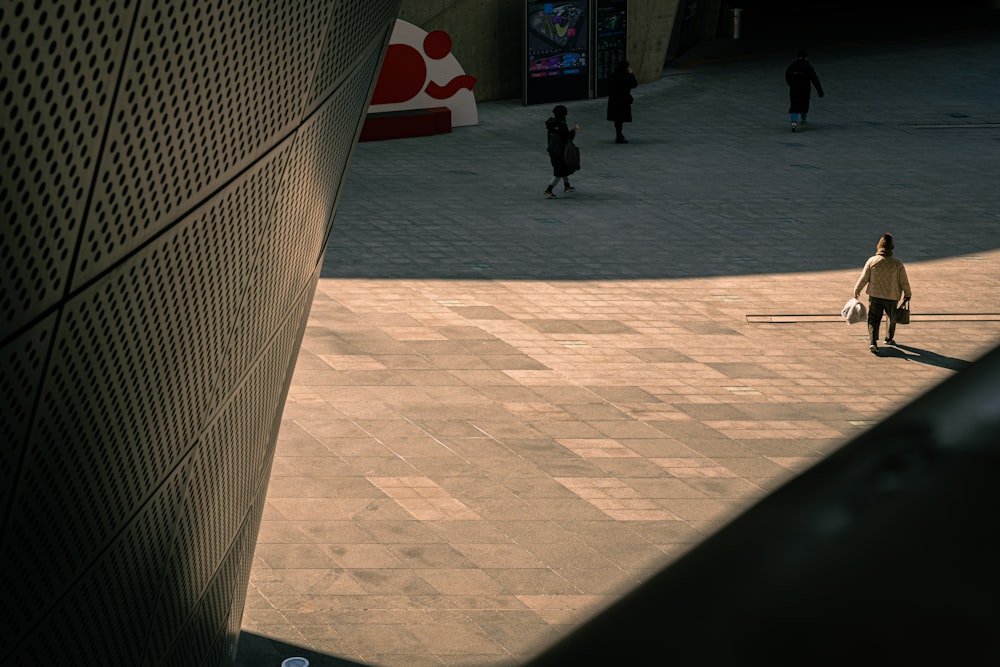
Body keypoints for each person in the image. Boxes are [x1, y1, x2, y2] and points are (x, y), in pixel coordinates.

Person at [854, 233, 912, 355]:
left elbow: (864, 278)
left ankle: (873, 342)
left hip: (875, 295)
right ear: (892, 247)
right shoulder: (897, 263)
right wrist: (908, 293)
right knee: (891, 318)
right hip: (892, 296)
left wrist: (857, 290)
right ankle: (888, 338)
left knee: (874, 319)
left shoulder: (872, 261)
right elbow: (903, 281)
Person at [544, 105, 580, 199]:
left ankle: (567, 186)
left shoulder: (551, 124)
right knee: (559, 172)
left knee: (563, 167)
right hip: (561, 150)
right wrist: (574, 130)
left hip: (552, 149)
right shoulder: (562, 124)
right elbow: (568, 138)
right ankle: (549, 190)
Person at [785, 50, 824, 131]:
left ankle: (794, 123)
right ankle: (803, 120)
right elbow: (815, 79)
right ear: (806, 58)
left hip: (794, 89)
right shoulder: (808, 67)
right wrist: (820, 92)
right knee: (804, 104)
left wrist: (791, 85)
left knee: (794, 105)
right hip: (805, 89)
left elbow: (787, 76)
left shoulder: (792, 66)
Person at [607, 60, 638, 143]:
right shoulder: (625, 77)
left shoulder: (613, 75)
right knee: (620, 118)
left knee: (617, 119)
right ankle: (619, 136)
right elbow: (634, 84)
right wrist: (631, 74)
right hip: (622, 101)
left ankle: (619, 134)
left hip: (614, 100)